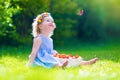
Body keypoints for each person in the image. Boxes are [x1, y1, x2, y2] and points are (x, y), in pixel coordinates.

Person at [26, 12, 98, 68]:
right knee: (53, 60)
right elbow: (34, 52)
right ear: (40, 26)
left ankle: (85, 63)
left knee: (63, 58)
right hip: (42, 58)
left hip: (50, 56)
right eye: (48, 20)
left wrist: (54, 53)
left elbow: (49, 51)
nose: (51, 22)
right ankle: (60, 66)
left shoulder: (50, 39)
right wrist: (30, 63)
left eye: (52, 21)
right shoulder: (38, 38)